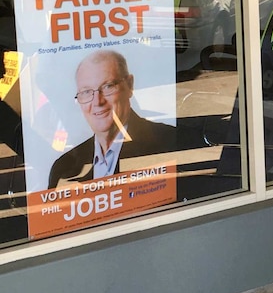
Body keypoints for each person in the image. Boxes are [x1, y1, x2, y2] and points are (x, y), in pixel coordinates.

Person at [48, 50, 177, 189]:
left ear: (129, 85)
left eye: (108, 86)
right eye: (86, 92)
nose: (97, 101)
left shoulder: (171, 143)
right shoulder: (63, 168)